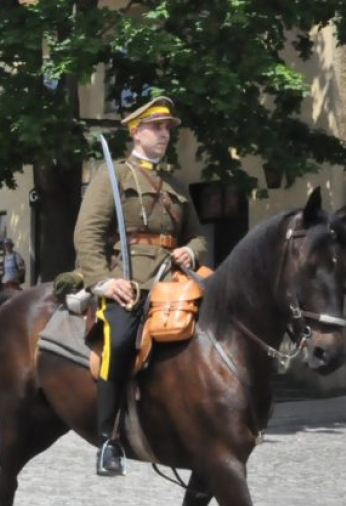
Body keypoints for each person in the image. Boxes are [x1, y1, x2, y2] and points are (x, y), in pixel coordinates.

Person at [74, 96, 207, 476]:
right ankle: (107, 440)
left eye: (168, 128)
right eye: (157, 127)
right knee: (118, 341)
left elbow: (198, 237)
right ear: (136, 132)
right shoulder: (113, 175)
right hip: (128, 281)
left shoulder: (177, 184)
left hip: (172, 281)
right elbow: (87, 233)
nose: (165, 134)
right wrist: (103, 281)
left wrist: (190, 251)